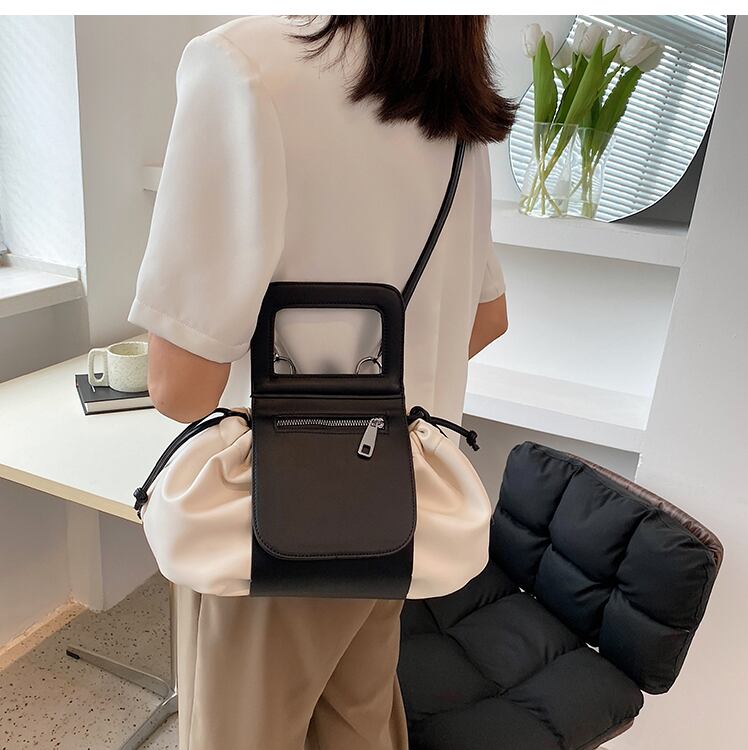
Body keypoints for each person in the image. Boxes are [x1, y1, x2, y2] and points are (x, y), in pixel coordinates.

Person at [127, 15, 514, 750]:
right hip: (399, 507)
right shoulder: (448, 90)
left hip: (283, 518)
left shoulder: (242, 65)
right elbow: (486, 319)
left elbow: (180, 389)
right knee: (359, 727)